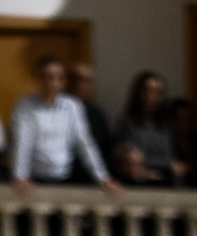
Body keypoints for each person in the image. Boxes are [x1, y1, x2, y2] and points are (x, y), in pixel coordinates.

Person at [11, 56, 116, 192]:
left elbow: (84, 143)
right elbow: (23, 143)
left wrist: (103, 177)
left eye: (58, 77)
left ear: (63, 81)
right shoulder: (24, 106)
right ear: (36, 79)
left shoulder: (72, 105)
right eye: (47, 77)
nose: (52, 82)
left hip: (66, 179)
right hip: (35, 180)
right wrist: (20, 175)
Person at [112, 71, 183, 186]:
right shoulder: (127, 123)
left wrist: (168, 167)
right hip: (137, 181)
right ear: (138, 92)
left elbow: (170, 156)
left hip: (165, 179)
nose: (151, 96)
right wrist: (167, 165)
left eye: (156, 92)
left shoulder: (165, 125)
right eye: (147, 90)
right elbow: (133, 158)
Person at [66, 61, 113, 179]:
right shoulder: (56, 111)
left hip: (91, 179)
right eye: (75, 79)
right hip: (61, 177)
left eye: (84, 80)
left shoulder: (97, 115)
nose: (79, 84)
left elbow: (105, 148)